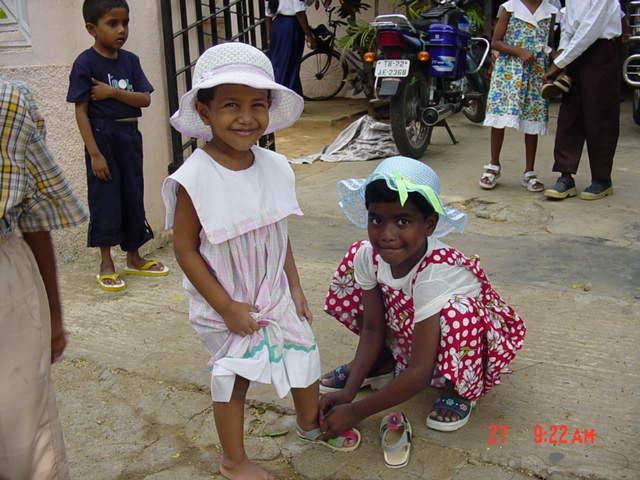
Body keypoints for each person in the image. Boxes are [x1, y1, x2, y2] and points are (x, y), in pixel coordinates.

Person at [162, 42, 360, 480]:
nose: (246, 117)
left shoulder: (275, 166)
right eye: (231, 105)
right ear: (205, 111)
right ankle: (233, 460)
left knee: (304, 351)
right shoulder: (194, 177)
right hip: (226, 297)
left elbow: (276, 230)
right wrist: (226, 307)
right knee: (233, 377)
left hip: (273, 289)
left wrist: (294, 286)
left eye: (257, 104)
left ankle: (308, 422)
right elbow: (184, 249)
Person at [319, 156, 526, 437]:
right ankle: (383, 362)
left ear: (429, 224)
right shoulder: (368, 255)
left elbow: (419, 373)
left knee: (459, 313)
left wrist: (356, 411)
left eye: (402, 221)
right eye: (376, 219)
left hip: (462, 347)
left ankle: (461, 388)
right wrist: (348, 394)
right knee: (353, 259)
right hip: (415, 330)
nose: (387, 235)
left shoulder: (437, 273)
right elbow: (371, 329)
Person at [0, 79, 88, 479]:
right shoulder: (10, 99)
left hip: (8, 284)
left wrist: (54, 314)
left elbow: (34, 213)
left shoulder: (9, 101)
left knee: (22, 423)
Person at [67, 0, 169, 292]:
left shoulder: (130, 61)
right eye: (112, 23)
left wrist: (112, 92)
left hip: (128, 135)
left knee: (132, 193)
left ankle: (134, 257)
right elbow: (81, 111)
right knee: (105, 198)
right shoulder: (85, 63)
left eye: (125, 23)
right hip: (102, 137)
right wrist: (94, 153)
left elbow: (144, 99)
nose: (121, 30)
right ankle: (106, 263)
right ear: (91, 28)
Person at [543, 0, 623, 200]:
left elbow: (591, 27)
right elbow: (568, 25)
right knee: (569, 114)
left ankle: (602, 179)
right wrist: (563, 51)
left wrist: (560, 62)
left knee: (600, 115)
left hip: (601, 50)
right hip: (575, 50)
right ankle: (565, 175)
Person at [480, 0, 558, 192]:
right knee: (499, 118)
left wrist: (556, 61)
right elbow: (496, 42)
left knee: (532, 120)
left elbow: (548, 44)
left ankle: (529, 171)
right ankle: (493, 165)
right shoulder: (509, 7)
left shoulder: (550, 11)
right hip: (509, 71)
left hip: (536, 71)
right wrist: (519, 51)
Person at [265, 0, 316, 96]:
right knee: (290, 63)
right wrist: (309, 35)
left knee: (278, 63)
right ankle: (285, 95)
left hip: (277, 26)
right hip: (291, 26)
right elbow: (299, 12)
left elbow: (268, 16)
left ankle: (279, 94)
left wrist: (269, 37)